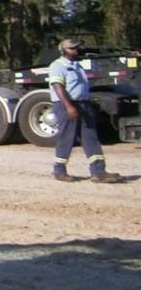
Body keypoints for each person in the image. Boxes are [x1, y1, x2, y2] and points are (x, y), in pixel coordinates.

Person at [48, 38, 121, 183]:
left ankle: (98, 172)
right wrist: (69, 106)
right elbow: (58, 87)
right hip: (66, 104)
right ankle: (60, 171)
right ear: (63, 50)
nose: (75, 51)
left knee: (91, 136)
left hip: (83, 104)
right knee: (67, 137)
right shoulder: (57, 65)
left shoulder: (78, 65)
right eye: (72, 48)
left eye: (76, 48)